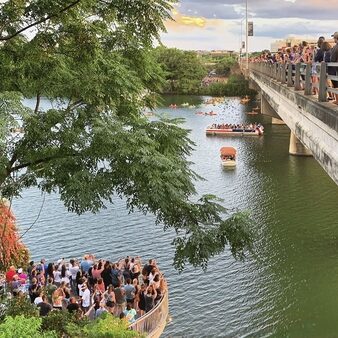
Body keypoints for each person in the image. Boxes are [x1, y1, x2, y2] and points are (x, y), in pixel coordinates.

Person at [330, 32, 338, 104]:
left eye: (334, 38)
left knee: (336, 84)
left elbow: (332, 59)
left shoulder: (336, 47)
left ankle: (337, 100)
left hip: (336, 69)